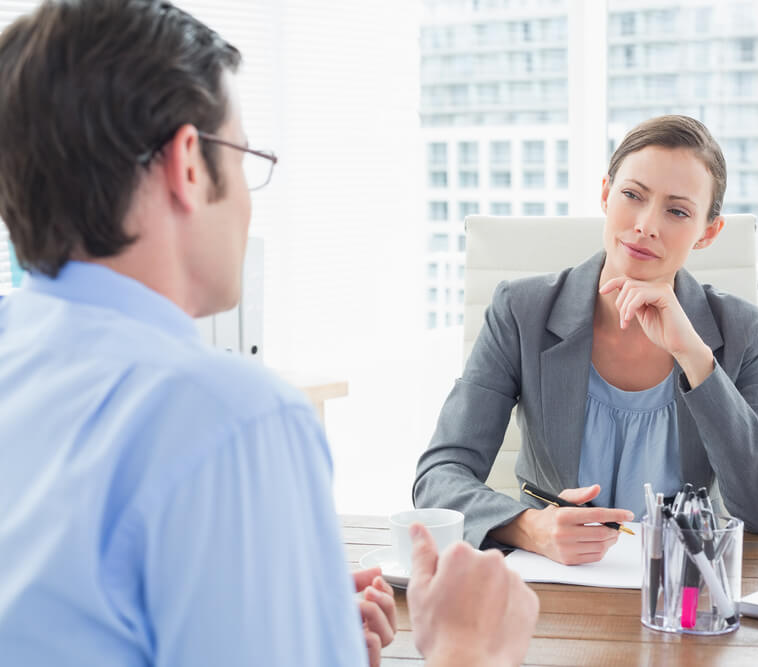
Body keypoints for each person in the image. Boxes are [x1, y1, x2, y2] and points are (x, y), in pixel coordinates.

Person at [0, 1, 537, 666]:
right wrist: (468, 648)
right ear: (189, 164)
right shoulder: (232, 418)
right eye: (246, 153)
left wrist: (293, 632)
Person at [414, 115, 758, 565]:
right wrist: (530, 527)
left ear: (708, 233)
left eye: (677, 211)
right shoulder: (522, 312)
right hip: (555, 590)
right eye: (632, 195)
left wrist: (695, 358)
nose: (646, 225)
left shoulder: (743, 331)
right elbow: (439, 477)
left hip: (681, 591)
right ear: (604, 194)